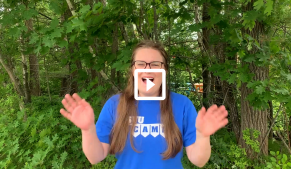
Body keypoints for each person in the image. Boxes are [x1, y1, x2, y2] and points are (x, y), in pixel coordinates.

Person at [60, 40, 228, 169]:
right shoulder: (114, 105)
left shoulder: (182, 105)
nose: (148, 69)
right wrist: (87, 129)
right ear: (133, 70)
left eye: (155, 64)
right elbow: (95, 157)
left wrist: (203, 136)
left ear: (165, 70)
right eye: (141, 64)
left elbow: (198, 160)